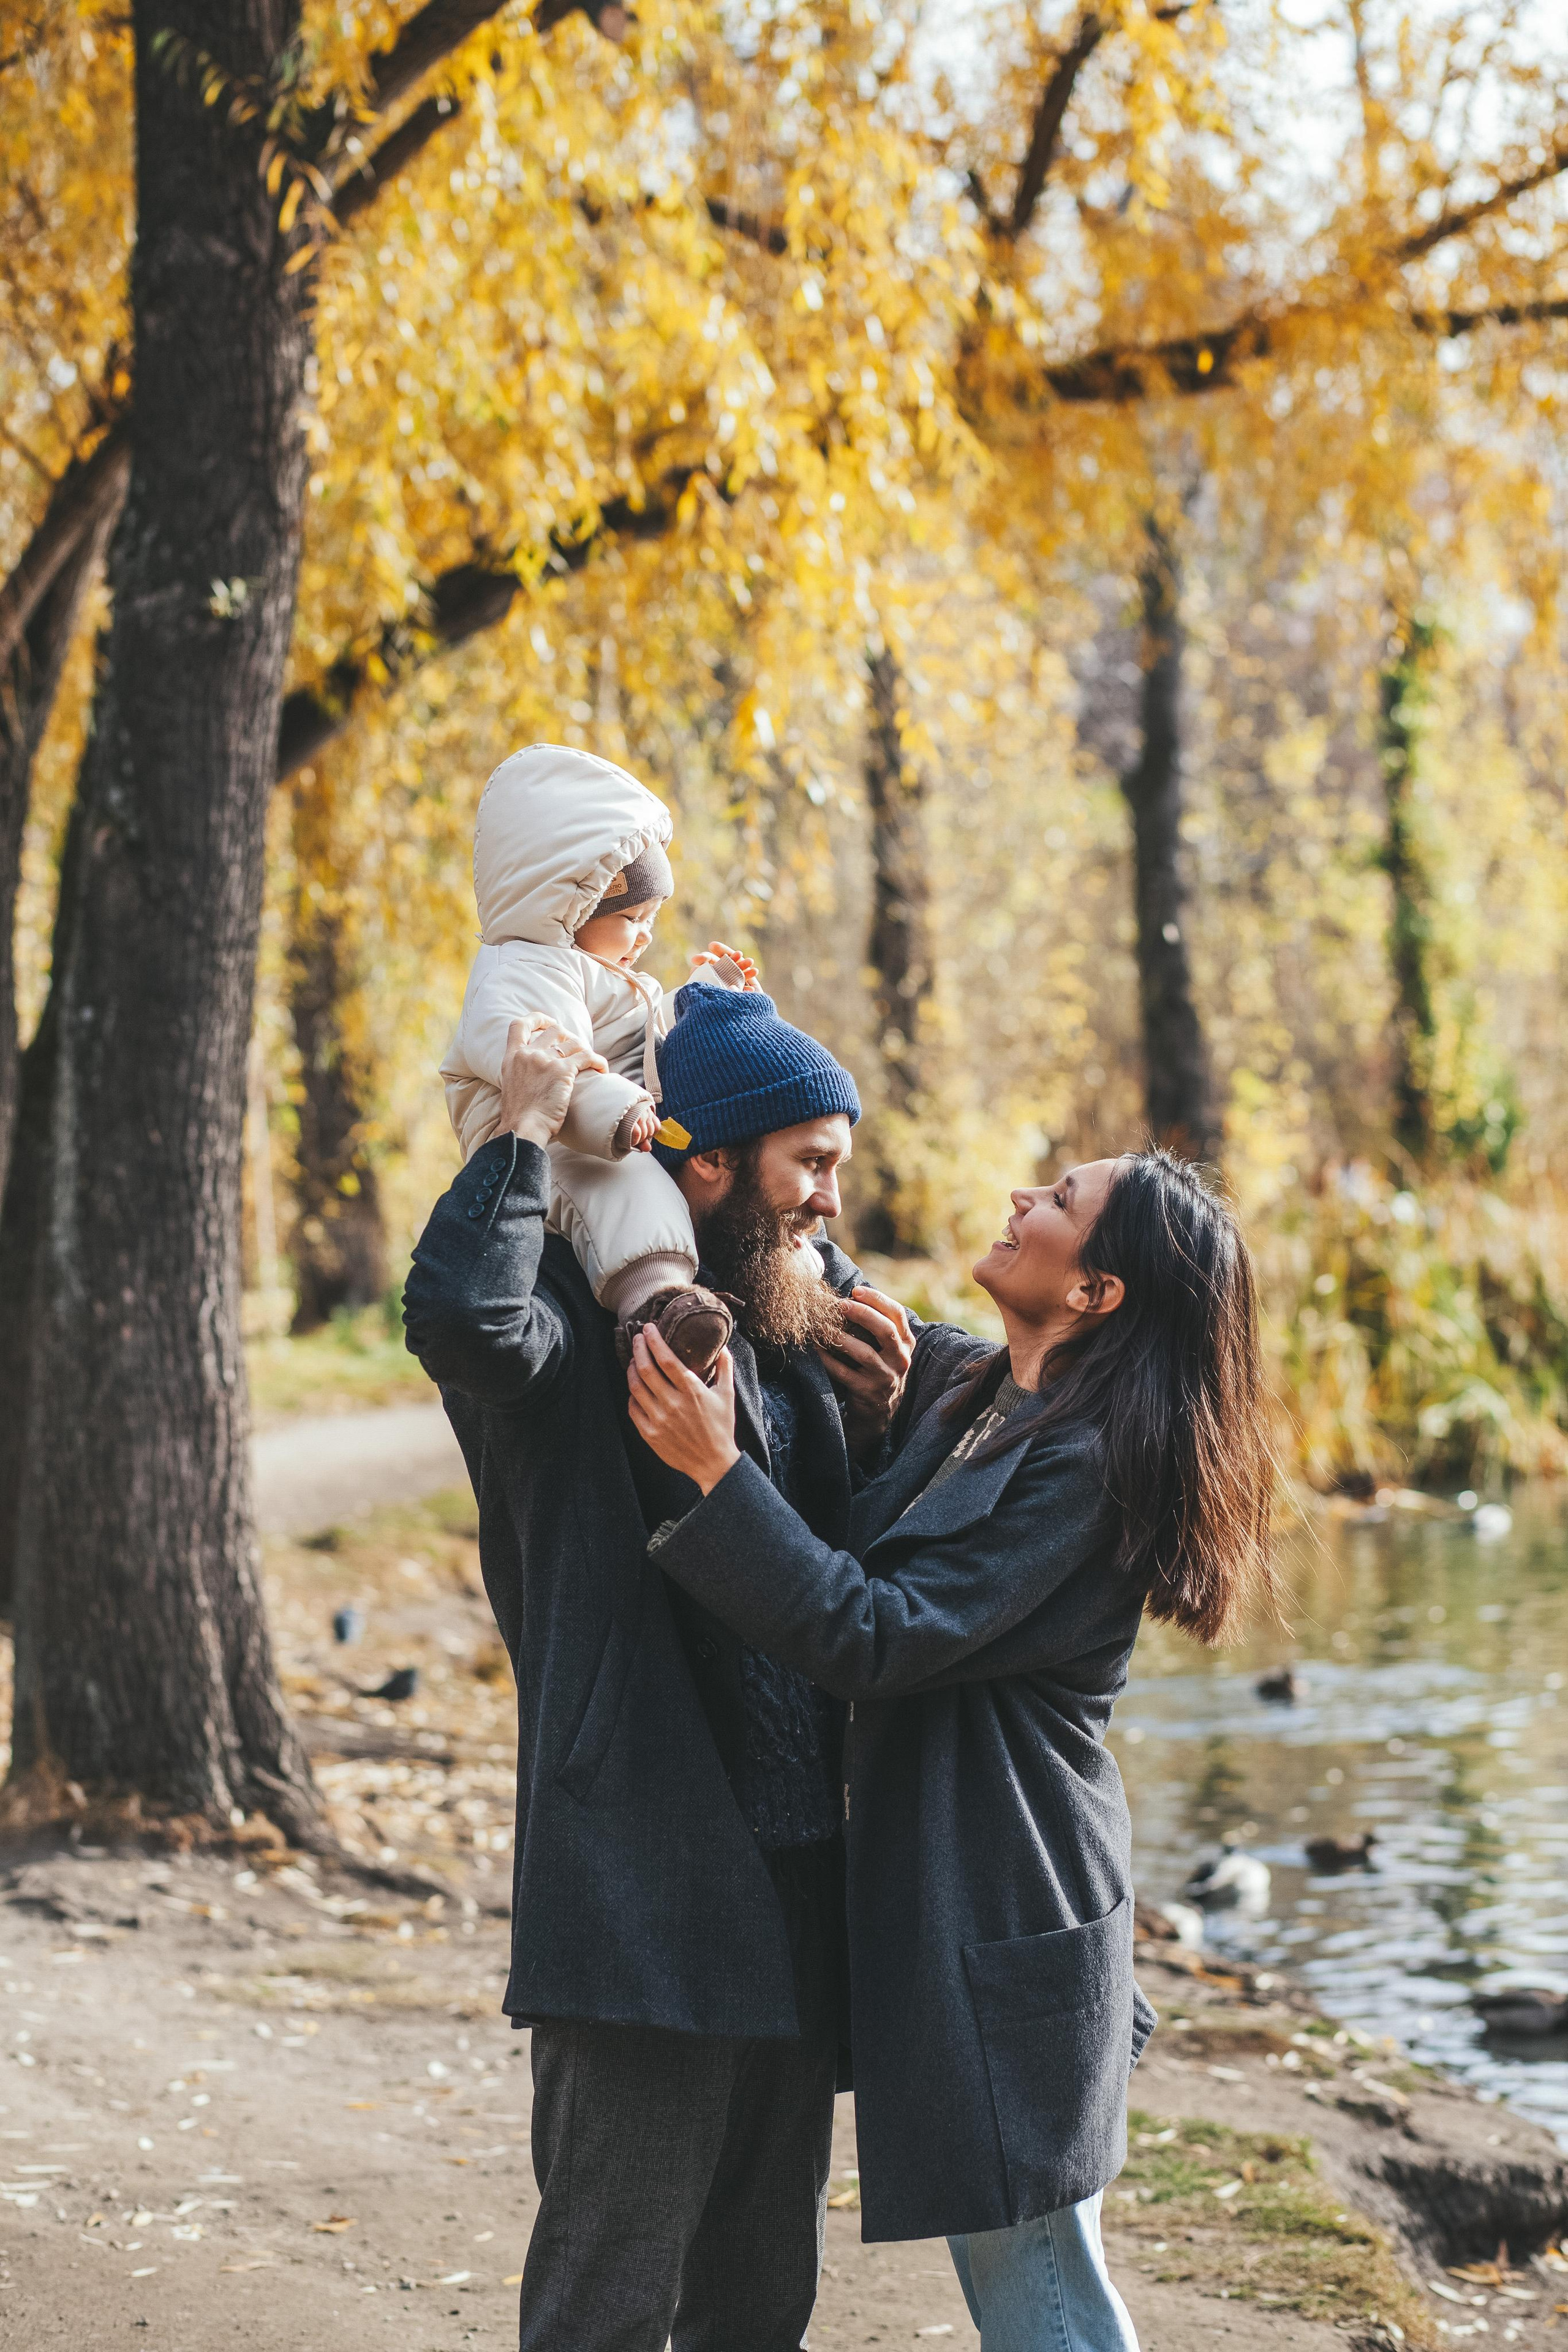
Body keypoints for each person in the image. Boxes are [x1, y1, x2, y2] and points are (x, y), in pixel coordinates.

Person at [628, 1150, 1280, 2352]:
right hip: (978, 1904)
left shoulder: (1086, 1470)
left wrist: (715, 1475)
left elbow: (873, 1631)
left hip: (1005, 1903)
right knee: (1036, 2276)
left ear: (1095, 1294)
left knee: (1041, 2296)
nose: (1021, 1199)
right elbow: (820, 1271)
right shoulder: (983, 1386)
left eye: (1060, 1204)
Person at [402, 984, 917, 2352]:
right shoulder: (566, 1326)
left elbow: (841, 1589)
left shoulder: (788, 1330)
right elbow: (458, 1320)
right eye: (808, 1165)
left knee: (761, 2310)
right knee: (605, 2313)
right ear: (703, 1163)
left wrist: (877, 1417)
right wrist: (522, 1134)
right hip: (635, 1902)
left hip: (800, 1905)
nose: (827, 1201)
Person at [440, 739, 766, 1376]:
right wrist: (615, 1110)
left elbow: (644, 1038)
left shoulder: (596, 971)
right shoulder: (522, 970)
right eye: (632, 917)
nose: (646, 935)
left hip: (607, 1124)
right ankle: (659, 1307)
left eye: (653, 918)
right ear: (573, 905)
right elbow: (548, 1060)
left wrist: (718, 1000)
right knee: (626, 1187)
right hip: (541, 1134)